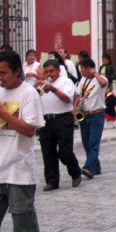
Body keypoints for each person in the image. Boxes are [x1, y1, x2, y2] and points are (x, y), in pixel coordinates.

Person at [0, 50, 44, 232]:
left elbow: (29, 130)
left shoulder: (29, 93)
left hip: (19, 171)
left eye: (4, 73)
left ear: (17, 71)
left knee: (23, 224)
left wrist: (3, 114)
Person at [35, 59, 82, 191]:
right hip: (46, 121)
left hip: (63, 119)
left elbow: (67, 99)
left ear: (58, 71)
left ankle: (75, 172)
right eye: (46, 72)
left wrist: (53, 89)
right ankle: (52, 181)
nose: (49, 74)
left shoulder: (66, 82)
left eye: (51, 71)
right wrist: (35, 89)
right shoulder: (41, 84)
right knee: (48, 153)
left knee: (65, 152)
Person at [74, 58, 108, 179]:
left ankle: (88, 167)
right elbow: (78, 94)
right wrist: (74, 107)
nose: (81, 71)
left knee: (93, 142)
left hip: (96, 114)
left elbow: (104, 84)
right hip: (84, 114)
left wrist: (94, 73)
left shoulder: (100, 79)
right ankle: (96, 167)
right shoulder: (82, 79)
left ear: (89, 68)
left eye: (82, 69)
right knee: (86, 142)